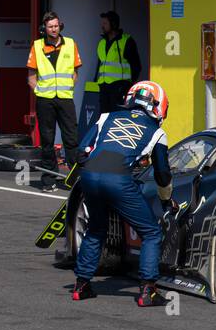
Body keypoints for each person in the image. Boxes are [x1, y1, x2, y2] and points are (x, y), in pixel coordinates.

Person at [72, 80, 175, 308]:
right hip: (118, 179)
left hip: (88, 175)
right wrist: (166, 200)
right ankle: (148, 290)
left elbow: (82, 152)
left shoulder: (105, 117)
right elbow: (162, 175)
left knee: (96, 228)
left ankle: (81, 286)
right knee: (150, 232)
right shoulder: (158, 133)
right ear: (158, 106)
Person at [27, 11, 82, 190]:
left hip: (65, 99)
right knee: (47, 141)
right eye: (50, 26)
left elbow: (75, 72)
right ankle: (48, 180)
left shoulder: (71, 44)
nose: (54, 29)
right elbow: (31, 76)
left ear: (61, 26)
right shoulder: (37, 46)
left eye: (56, 26)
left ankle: (75, 180)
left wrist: (69, 88)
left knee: (72, 140)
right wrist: (40, 92)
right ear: (44, 28)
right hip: (45, 101)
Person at [83, 10, 143, 129]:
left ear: (114, 24)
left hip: (119, 87)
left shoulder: (126, 41)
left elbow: (136, 66)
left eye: (105, 23)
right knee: (104, 119)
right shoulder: (101, 43)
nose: (102, 26)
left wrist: (128, 85)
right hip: (104, 87)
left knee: (118, 118)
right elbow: (100, 66)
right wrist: (96, 83)